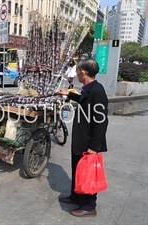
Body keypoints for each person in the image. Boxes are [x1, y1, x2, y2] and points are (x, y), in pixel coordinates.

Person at [57, 58, 108, 217]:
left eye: (78, 70)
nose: (77, 73)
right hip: (81, 139)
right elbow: (85, 101)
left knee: (87, 172)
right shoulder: (89, 88)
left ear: (83, 72)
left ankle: (88, 206)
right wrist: (70, 94)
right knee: (77, 170)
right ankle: (76, 196)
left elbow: (101, 122)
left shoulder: (97, 91)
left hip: (88, 142)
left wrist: (94, 146)